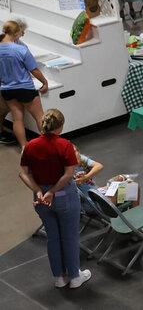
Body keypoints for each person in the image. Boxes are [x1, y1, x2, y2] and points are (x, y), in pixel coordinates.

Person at [18, 109, 91, 289]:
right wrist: (52, 191)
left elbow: (23, 173)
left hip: (40, 198)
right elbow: (68, 174)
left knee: (53, 237)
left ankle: (59, 277)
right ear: (60, 126)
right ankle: (74, 276)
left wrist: (38, 190)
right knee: (70, 237)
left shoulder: (30, 146)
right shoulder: (64, 145)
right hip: (62, 195)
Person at [0, 20, 48, 148]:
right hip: (25, 88)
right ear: (15, 33)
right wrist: (44, 82)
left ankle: (24, 147)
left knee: (17, 118)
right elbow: (34, 69)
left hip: (7, 89)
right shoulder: (21, 49)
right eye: (21, 32)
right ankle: (49, 145)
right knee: (40, 117)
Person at [0, 17, 28, 145]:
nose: (23, 35)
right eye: (22, 32)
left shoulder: (19, 44)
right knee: (2, 109)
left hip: (8, 82)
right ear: (16, 32)